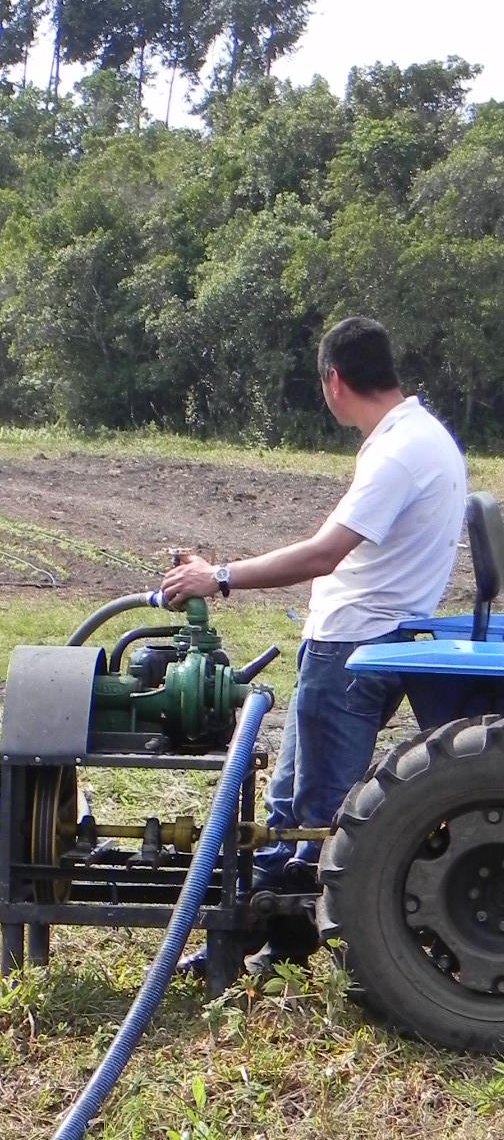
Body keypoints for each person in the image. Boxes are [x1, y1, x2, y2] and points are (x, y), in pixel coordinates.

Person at [163, 314, 467, 964]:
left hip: (349, 649)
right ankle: (265, 944)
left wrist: (216, 576)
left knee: (314, 813)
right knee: (293, 807)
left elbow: (323, 554)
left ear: (334, 381)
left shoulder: (397, 453)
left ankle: (269, 944)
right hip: (368, 640)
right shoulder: (424, 437)